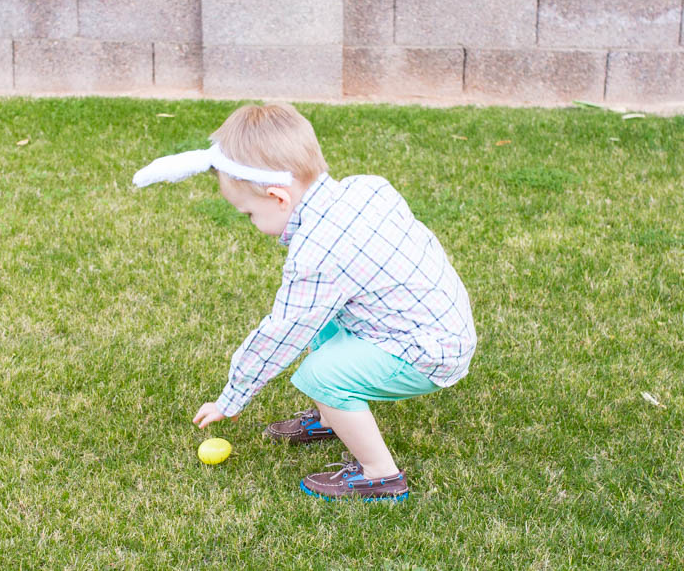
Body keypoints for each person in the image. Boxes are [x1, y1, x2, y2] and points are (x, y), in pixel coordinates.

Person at [133, 103, 476, 502]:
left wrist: (233, 395)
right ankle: (334, 418)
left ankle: (381, 476)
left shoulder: (319, 254)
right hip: (435, 323)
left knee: (319, 373)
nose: (252, 224)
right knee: (322, 322)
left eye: (248, 214)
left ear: (279, 197)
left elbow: (280, 334)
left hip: (429, 351)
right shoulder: (366, 186)